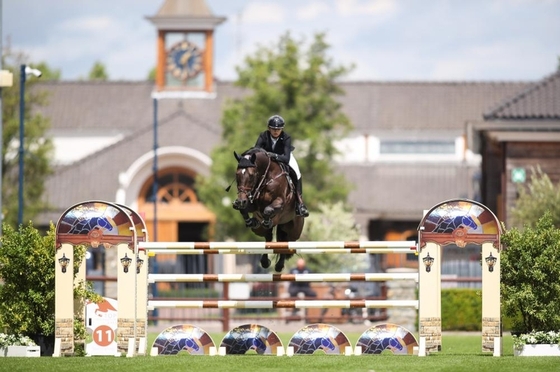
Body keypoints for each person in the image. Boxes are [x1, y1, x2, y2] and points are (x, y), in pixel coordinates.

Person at [254, 114, 309, 217]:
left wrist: (273, 155)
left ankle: (300, 203)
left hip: (283, 157)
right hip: (267, 159)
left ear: (282, 129)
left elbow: (286, 158)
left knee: (297, 173)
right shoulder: (263, 136)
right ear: (269, 128)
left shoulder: (286, 137)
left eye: (278, 129)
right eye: (273, 129)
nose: (276, 131)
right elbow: (256, 151)